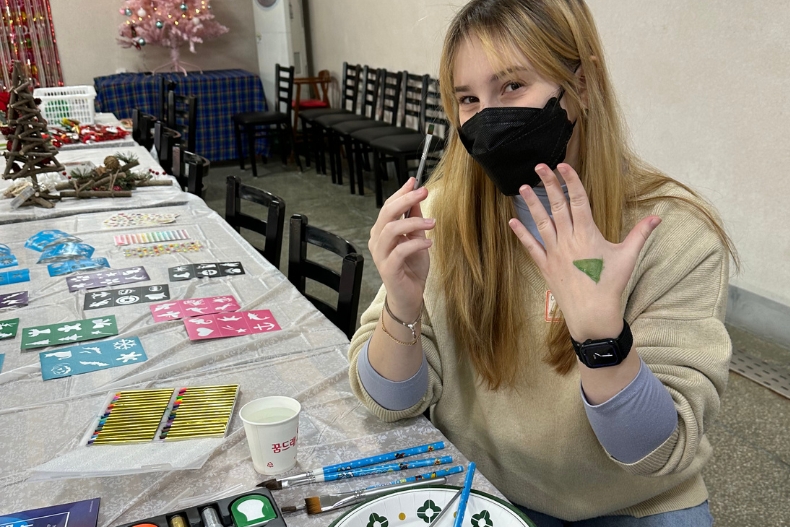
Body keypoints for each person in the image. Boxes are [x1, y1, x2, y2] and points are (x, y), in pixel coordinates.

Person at [347, 0, 737, 525]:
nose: (487, 118)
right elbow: (389, 401)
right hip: (483, 492)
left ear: (584, 84)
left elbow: (654, 453)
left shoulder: (672, 235)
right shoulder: (442, 215)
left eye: (511, 86)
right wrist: (401, 304)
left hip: (632, 505)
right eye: (468, 98)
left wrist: (602, 337)